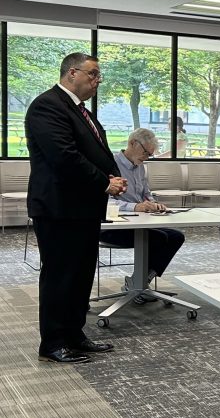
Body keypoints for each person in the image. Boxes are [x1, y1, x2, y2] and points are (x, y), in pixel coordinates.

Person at [26, 52, 127, 364]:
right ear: (72, 73)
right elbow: (64, 157)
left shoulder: (80, 110)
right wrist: (104, 182)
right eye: (93, 74)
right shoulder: (48, 106)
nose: (98, 81)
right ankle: (53, 343)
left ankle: (75, 335)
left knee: (81, 274)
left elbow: (95, 150)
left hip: (83, 208)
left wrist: (112, 176)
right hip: (59, 208)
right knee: (60, 275)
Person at [98, 128, 186, 304]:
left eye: (150, 154)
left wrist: (153, 204)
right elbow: (103, 202)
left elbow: (146, 193)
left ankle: (139, 282)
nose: (147, 157)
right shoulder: (110, 164)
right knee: (159, 237)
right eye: (146, 152)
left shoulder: (140, 167)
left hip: (140, 223)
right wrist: (135, 206)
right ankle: (137, 284)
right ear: (132, 143)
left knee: (176, 236)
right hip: (113, 226)